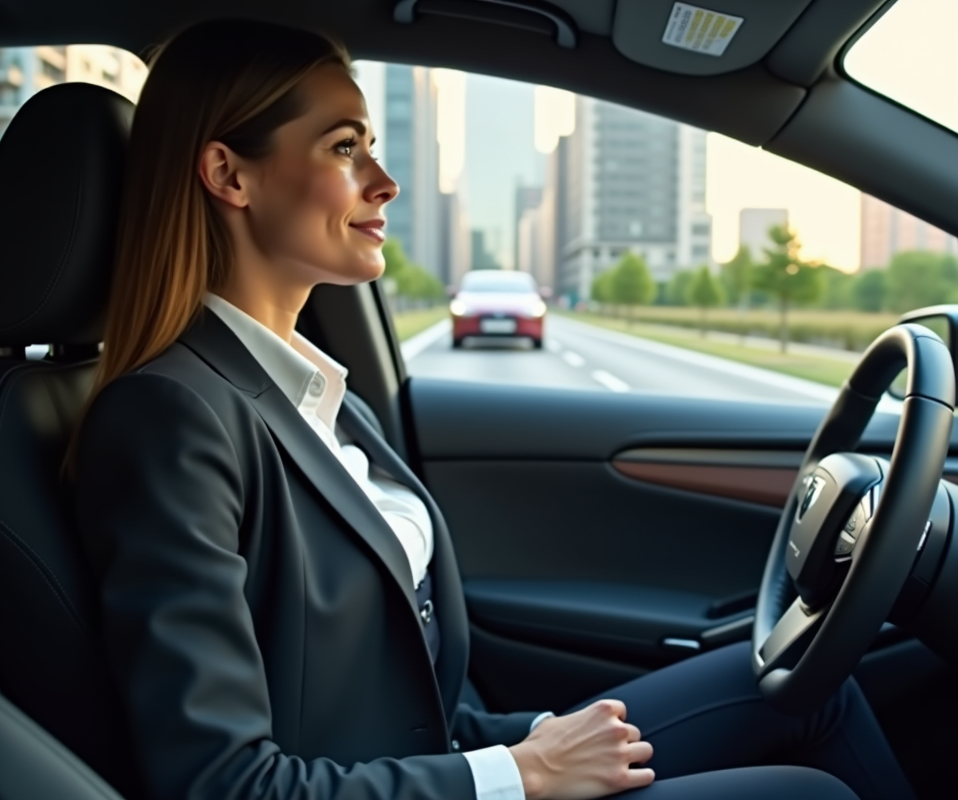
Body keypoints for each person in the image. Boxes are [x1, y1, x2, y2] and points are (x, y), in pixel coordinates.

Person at [71, 18, 913, 800]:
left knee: (806, 686)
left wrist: (527, 744)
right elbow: (221, 784)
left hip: (444, 766)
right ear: (229, 174)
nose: (386, 181)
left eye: (373, 145)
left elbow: (408, 695)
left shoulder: (315, 395)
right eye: (344, 148)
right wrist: (517, 774)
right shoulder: (171, 419)